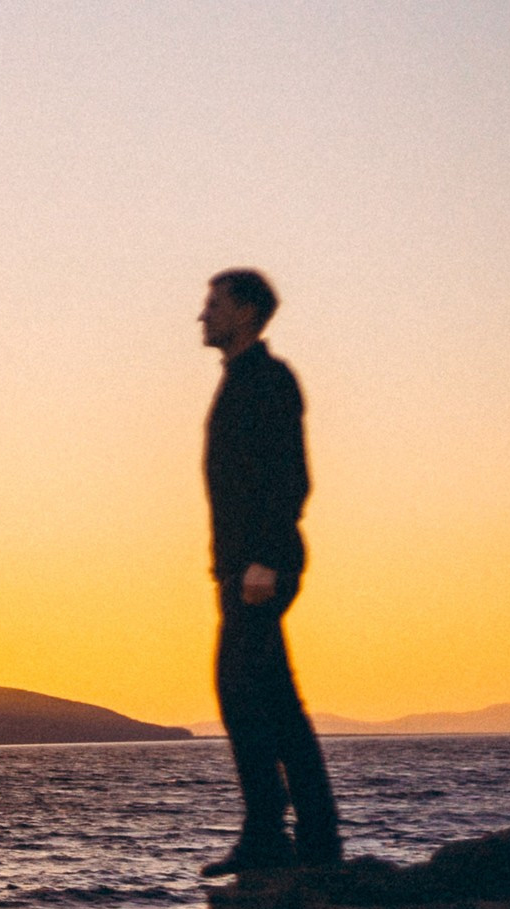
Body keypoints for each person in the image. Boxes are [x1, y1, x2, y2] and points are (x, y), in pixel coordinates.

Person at [197, 268, 341, 875]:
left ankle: (273, 833)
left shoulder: (267, 381)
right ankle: (311, 839)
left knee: (241, 690)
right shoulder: (239, 382)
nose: (202, 315)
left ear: (247, 313)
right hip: (241, 563)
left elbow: (290, 476)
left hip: (263, 562)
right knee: (272, 698)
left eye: (213, 304)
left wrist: (265, 559)